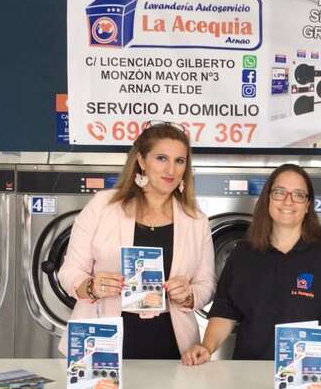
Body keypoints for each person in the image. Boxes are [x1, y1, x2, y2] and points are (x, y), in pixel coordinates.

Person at [57, 123, 215, 359]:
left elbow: (207, 284)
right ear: (141, 161)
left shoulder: (196, 220)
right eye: (161, 158)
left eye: (179, 161)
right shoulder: (103, 205)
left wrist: (188, 293)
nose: (171, 169)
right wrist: (91, 287)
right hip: (101, 340)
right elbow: (69, 271)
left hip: (174, 345)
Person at [181, 164, 321, 365]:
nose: (288, 201)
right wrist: (207, 347)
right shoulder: (244, 253)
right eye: (279, 192)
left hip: (308, 376)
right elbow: (224, 313)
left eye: (299, 195)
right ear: (267, 199)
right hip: (251, 369)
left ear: (308, 204)